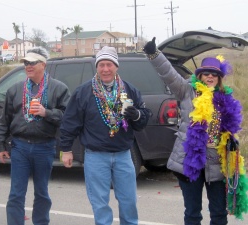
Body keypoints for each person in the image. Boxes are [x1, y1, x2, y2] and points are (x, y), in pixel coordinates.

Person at [143, 38, 248, 224]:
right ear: (199, 76)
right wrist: (154, 55)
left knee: (218, 213)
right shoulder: (186, 91)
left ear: (219, 78)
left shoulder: (225, 99)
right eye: (206, 73)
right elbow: (169, 74)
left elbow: (230, 128)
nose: (209, 77)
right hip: (189, 160)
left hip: (217, 162)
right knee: (192, 212)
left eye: (214, 74)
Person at [60, 46, 151, 225]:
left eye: (109, 64)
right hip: (95, 156)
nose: (105, 69)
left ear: (116, 66)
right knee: (100, 204)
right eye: (101, 65)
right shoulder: (83, 92)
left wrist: (137, 115)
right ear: (97, 67)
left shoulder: (129, 90)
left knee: (129, 201)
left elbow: (142, 120)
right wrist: (66, 149)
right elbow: (70, 122)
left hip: (123, 155)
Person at [0, 47, 70, 225]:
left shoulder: (58, 88)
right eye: (25, 63)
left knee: (42, 193)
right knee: (16, 193)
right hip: (20, 146)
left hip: (44, 147)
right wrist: (1, 146)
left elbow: (67, 118)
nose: (28, 66)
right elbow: (4, 119)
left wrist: (46, 113)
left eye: (32, 63)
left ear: (43, 64)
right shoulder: (15, 89)